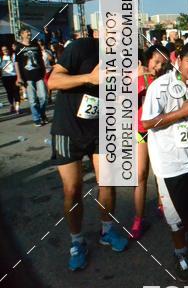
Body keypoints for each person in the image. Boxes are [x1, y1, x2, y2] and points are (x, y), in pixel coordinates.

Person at [47, 35, 129, 271]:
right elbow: (53, 81)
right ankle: (77, 241)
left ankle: (107, 230)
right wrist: (89, 78)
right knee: (72, 189)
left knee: (107, 182)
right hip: (68, 128)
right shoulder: (81, 47)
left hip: (100, 128)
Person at [141, 41, 188, 282]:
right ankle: (180, 252)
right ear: (178, 61)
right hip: (169, 163)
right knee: (175, 215)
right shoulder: (160, 86)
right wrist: (181, 113)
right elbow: (147, 122)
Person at [131, 44, 170, 239]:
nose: (159, 67)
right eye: (156, 62)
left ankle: (163, 205)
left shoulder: (166, 81)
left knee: (160, 172)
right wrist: (132, 79)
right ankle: (139, 219)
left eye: (163, 64)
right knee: (140, 175)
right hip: (140, 131)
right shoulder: (135, 77)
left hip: (160, 131)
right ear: (147, 60)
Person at [15, 27, 48, 126]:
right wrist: (19, 77)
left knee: (44, 97)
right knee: (33, 100)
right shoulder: (19, 47)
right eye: (26, 32)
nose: (29, 33)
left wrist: (44, 71)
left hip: (39, 75)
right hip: (27, 77)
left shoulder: (35, 44)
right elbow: (16, 63)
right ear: (22, 34)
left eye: (29, 32)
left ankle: (42, 114)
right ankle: (36, 118)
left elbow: (41, 59)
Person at [0, 45, 20, 113]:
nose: (5, 51)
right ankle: (12, 105)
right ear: (2, 51)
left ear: (8, 49)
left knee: (16, 92)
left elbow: (17, 65)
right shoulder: (1, 58)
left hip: (14, 76)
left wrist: (19, 76)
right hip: (5, 78)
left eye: (6, 49)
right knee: (9, 92)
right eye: (3, 50)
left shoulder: (13, 56)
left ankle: (17, 108)